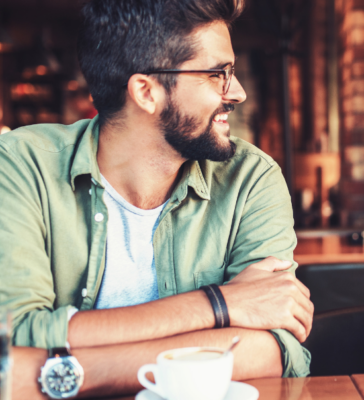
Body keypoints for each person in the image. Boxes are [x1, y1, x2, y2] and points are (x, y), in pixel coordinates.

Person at [0, 0, 313, 398]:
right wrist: (218, 304)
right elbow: (14, 339)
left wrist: (74, 371)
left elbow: (274, 349)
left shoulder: (250, 178)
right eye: (218, 74)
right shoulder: (22, 166)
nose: (238, 92)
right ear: (146, 92)